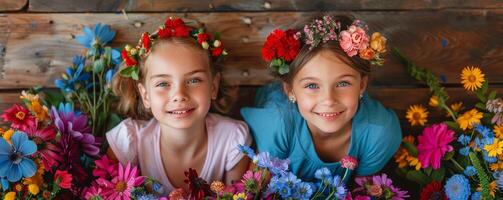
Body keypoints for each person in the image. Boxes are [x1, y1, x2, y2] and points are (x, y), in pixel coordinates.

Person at [241, 15, 401, 181]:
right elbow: (255, 191)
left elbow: (364, 193)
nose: (329, 100)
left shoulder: (378, 133)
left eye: (343, 83)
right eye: (312, 86)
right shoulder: (278, 127)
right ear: (290, 90)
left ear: (361, 85)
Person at [106, 17, 251, 194]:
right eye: (162, 84)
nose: (179, 95)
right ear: (145, 95)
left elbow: (242, 195)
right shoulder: (130, 141)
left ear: (213, 86)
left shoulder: (232, 140)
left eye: (194, 80)